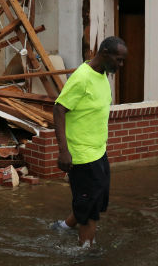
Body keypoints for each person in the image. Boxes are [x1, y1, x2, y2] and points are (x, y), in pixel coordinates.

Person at [52, 36, 127, 247]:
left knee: (97, 197)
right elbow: (59, 108)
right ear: (104, 54)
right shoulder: (82, 78)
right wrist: (63, 151)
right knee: (90, 209)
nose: (120, 65)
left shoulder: (102, 73)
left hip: (98, 152)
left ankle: (65, 226)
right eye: (118, 60)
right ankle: (85, 250)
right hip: (82, 157)